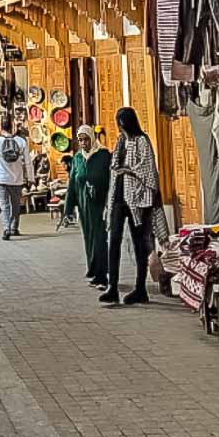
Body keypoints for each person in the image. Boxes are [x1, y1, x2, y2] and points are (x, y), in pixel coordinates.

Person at [102, 107, 162, 307]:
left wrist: (127, 170)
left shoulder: (142, 141)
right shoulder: (121, 142)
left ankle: (140, 288)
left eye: (122, 122)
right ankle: (112, 286)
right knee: (114, 241)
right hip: (119, 197)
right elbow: (114, 167)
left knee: (139, 244)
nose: (120, 127)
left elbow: (148, 170)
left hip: (138, 199)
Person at [66, 125, 111, 288]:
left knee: (100, 239)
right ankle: (94, 270)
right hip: (84, 207)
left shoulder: (104, 155)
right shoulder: (78, 158)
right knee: (89, 239)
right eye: (81, 140)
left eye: (86, 139)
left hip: (100, 204)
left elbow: (111, 180)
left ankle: (102, 275)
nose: (84, 143)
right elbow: (72, 183)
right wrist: (68, 209)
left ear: (92, 138)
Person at [0, 118, 34, 241]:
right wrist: (31, 178)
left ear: (0, 128)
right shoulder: (21, 141)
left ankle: (6, 228)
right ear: (12, 127)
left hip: (1, 179)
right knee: (16, 205)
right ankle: (14, 227)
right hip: (17, 179)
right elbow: (28, 162)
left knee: (4, 204)